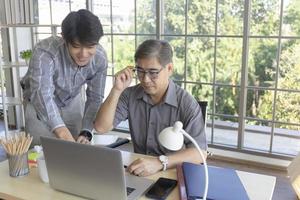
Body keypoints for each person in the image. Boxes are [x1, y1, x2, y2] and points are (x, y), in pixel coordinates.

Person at [94, 39, 207, 177]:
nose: (145, 79)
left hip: (172, 173)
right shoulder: (130, 95)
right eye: (140, 71)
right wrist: (116, 90)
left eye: (153, 72)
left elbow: (200, 153)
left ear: (169, 69)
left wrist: (160, 162)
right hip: (137, 170)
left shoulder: (186, 103)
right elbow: (101, 127)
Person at [21, 9, 107, 145]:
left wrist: (86, 130)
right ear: (64, 38)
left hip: (72, 101)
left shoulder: (100, 58)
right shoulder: (45, 51)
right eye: (76, 46)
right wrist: (61, 131)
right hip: (38, 103)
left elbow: (95, 98)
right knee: (40, 153)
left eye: (90, 46)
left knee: (76, 153)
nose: (84, 54)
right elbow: (42, 94)